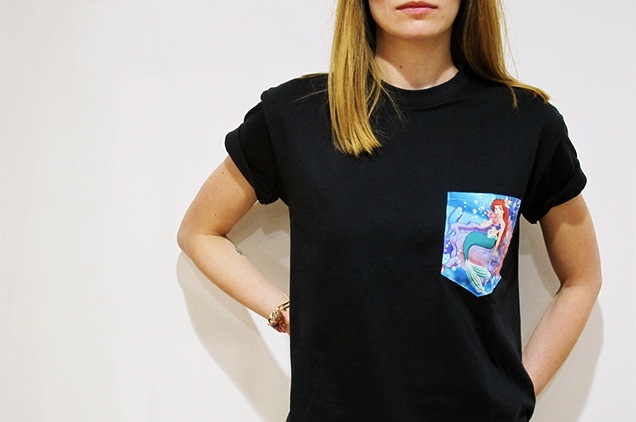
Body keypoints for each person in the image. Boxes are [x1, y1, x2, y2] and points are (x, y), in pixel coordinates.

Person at [177, 1, 602, 420]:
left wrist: (517, 392)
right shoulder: (297, 115)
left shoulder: (523, 123)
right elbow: (200, 231)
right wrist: (283, 310)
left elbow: (582, 278)